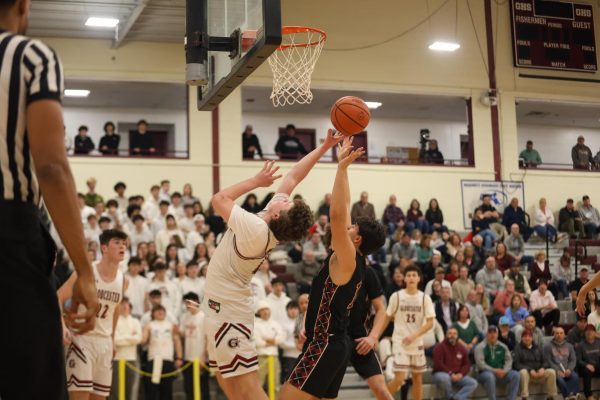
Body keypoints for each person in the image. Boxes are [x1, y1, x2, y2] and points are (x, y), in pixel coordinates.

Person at [202, 131, 341, 399]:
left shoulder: (256, 229)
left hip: (229, 310)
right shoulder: (271, 218)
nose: (284, 197)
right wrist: (324, 146)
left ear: (278, 214)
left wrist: (256, 181)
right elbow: (293, 176)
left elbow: (218, 200)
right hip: (219, 305)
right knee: (224, 378)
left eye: (286, 202)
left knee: (248, 386)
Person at [282, 138, 386, 399]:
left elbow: (338, 217)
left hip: (326, 344)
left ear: (357, 239)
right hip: (332, 343)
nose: (347, 226)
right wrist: (345, 170)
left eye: (353, 228)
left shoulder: (348, 258)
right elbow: (345, 211)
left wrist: (339, 170)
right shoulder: (354, 259)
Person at [59, 229, 129, 399]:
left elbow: (115, 309)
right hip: (82, 340)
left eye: (124, 243)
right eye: (117, 242)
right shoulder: (86, 273)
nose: (122, 246)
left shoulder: (123, 280)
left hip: (105, 343)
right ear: (104, 248)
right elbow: (58, 296)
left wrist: (112, 340)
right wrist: (62, 327)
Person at [384, 265, 435, 399]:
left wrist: (414, 335)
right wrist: (375, 336)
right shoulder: (397, 296)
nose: (411, 278)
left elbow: (430, 323)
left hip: (416, 342)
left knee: (418, 378)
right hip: (400, 342)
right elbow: (386, 317)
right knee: (400, 378)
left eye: (414, 275)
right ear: (404, 279)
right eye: (409, 275)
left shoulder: (425, 298)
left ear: (419, 278)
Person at [346, 256, 392, 400]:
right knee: (322, 393)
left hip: (360, 338)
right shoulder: (328, 270)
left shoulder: (367, 272)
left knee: (382, 391)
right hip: (335, 338)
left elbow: (381, 309)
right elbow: (314, 303)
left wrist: (373, 336)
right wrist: (305, 327)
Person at [142, 304, 184, 399]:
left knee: (167, 389)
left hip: (167, 360)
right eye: (157, 310)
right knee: (151, 390)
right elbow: (143, 340)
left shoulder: (171, 325)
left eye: (162, 310)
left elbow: (177, 342)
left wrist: (179, 358)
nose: (160, 312)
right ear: (153, 313)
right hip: (153, 359)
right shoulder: (149, 325)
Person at [474, 325, 520, 400]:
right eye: (490, 333)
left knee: (516, 375)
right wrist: (494, 371)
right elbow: (480, 364)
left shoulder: (503, 346)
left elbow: (509, 360)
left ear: (497, 334)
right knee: (490, 376)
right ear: (486, 334)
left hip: (501, 373)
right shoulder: (480, 347)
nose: (492, 335)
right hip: (483, 374)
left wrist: (504, 371)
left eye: (494, 333)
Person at [432, 327, 478, 400]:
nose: (452, 335)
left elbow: (467, 364)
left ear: (457, 336)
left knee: (473, 383)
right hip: (441, 374)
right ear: (446, 335)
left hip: (457, 375)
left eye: (454, 334)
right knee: (445, 378)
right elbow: (438, 364)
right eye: (450, 333)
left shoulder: (461, 348)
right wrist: (450, 373)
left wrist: (461, 374)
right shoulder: (439, 347)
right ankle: (449, 397)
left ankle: (457, 398)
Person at [109, 297, 142, 400]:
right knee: (115, 390)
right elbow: (114, 339)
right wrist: (130, 338)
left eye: (126, 304)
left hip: (131, 359)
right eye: (122, 304)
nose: (124, 306)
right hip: (116, 359)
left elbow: (139, 338)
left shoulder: (135, 321)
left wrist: (123, 338)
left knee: (130, 389)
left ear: (129, 306)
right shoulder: (114, 320)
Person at [179, 292, 210, 400]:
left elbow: (208, 338)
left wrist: (204, 357)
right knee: (188, 387)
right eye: (186, 303)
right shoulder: (184, 317)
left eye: (189, 302)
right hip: (188, 358)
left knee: (203, 387)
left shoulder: (204, 316)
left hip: (201, 359)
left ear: (196, 302)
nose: (187, 305)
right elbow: (182, 334)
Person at [512, 329, 557, 400]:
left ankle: (550, 397)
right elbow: (516, 364)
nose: (527, 338)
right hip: (528, 375)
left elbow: (546, 361)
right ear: (522, 338)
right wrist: (530, 370)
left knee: (552, 372)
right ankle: (524, 397)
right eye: (525, 336)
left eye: (529, 336)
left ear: (532, 338)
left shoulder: (538, 348)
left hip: (539, 373)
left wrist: (542, 368)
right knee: (523, 372)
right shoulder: (517, 348)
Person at [254, 300, 285, 394]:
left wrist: (268, 341)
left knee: (276, 384)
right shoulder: (255, 325)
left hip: (274, 357)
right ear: (259, 312)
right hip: (261, 357)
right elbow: (257, 341)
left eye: (266, 309)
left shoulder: (275, 324)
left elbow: (281, 338)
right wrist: (273, 341)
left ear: (270, 310)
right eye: (262, 310)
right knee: (258, 385)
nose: (265, 312)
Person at [545, 326, 580, 400]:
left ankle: (574, 395)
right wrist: (557, 371)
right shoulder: (548, 346)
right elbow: (548, 361)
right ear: (554, 335)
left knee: (575, 376)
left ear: (564, 335)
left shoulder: (569, 346)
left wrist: (569, 369)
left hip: (567, 369)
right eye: (557, 333)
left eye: (561, 333)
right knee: (560, 380)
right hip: (556, 371)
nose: (559, 335)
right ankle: (567, 396)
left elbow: (573, 360)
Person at [576, 324, 600, 400]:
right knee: (587, 371)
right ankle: (589, 395)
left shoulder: (599, 343)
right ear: (584, 333)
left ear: (595, 333)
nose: (589, 333)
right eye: (587, 331)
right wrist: (586, 365)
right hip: (586, 368)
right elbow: (578, 360)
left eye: (592, 331)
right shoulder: (580, 345)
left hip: (598, 366)